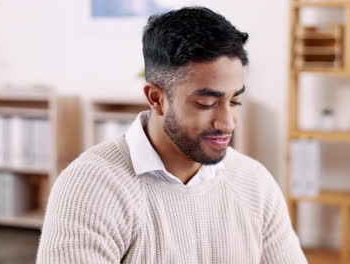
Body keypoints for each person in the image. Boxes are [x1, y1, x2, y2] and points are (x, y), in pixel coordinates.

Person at [37, 6, 307, 264]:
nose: (227, 122)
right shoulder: (91, 189)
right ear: (157, 98)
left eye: (235, 102)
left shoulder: (254, 183)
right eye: (206, 103)